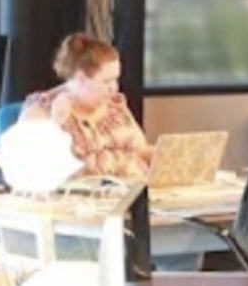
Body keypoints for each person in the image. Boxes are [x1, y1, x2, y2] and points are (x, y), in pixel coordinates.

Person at [20, 31, 153, 184]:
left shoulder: (114, 106)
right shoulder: (44, 111)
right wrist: (56, 121)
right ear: (81, 79)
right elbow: (34, 167)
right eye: (106, 82)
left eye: (116, 80)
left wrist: (166, 155)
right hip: (84, 194)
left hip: (135, 189)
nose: (114, 88)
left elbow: (140, 150)